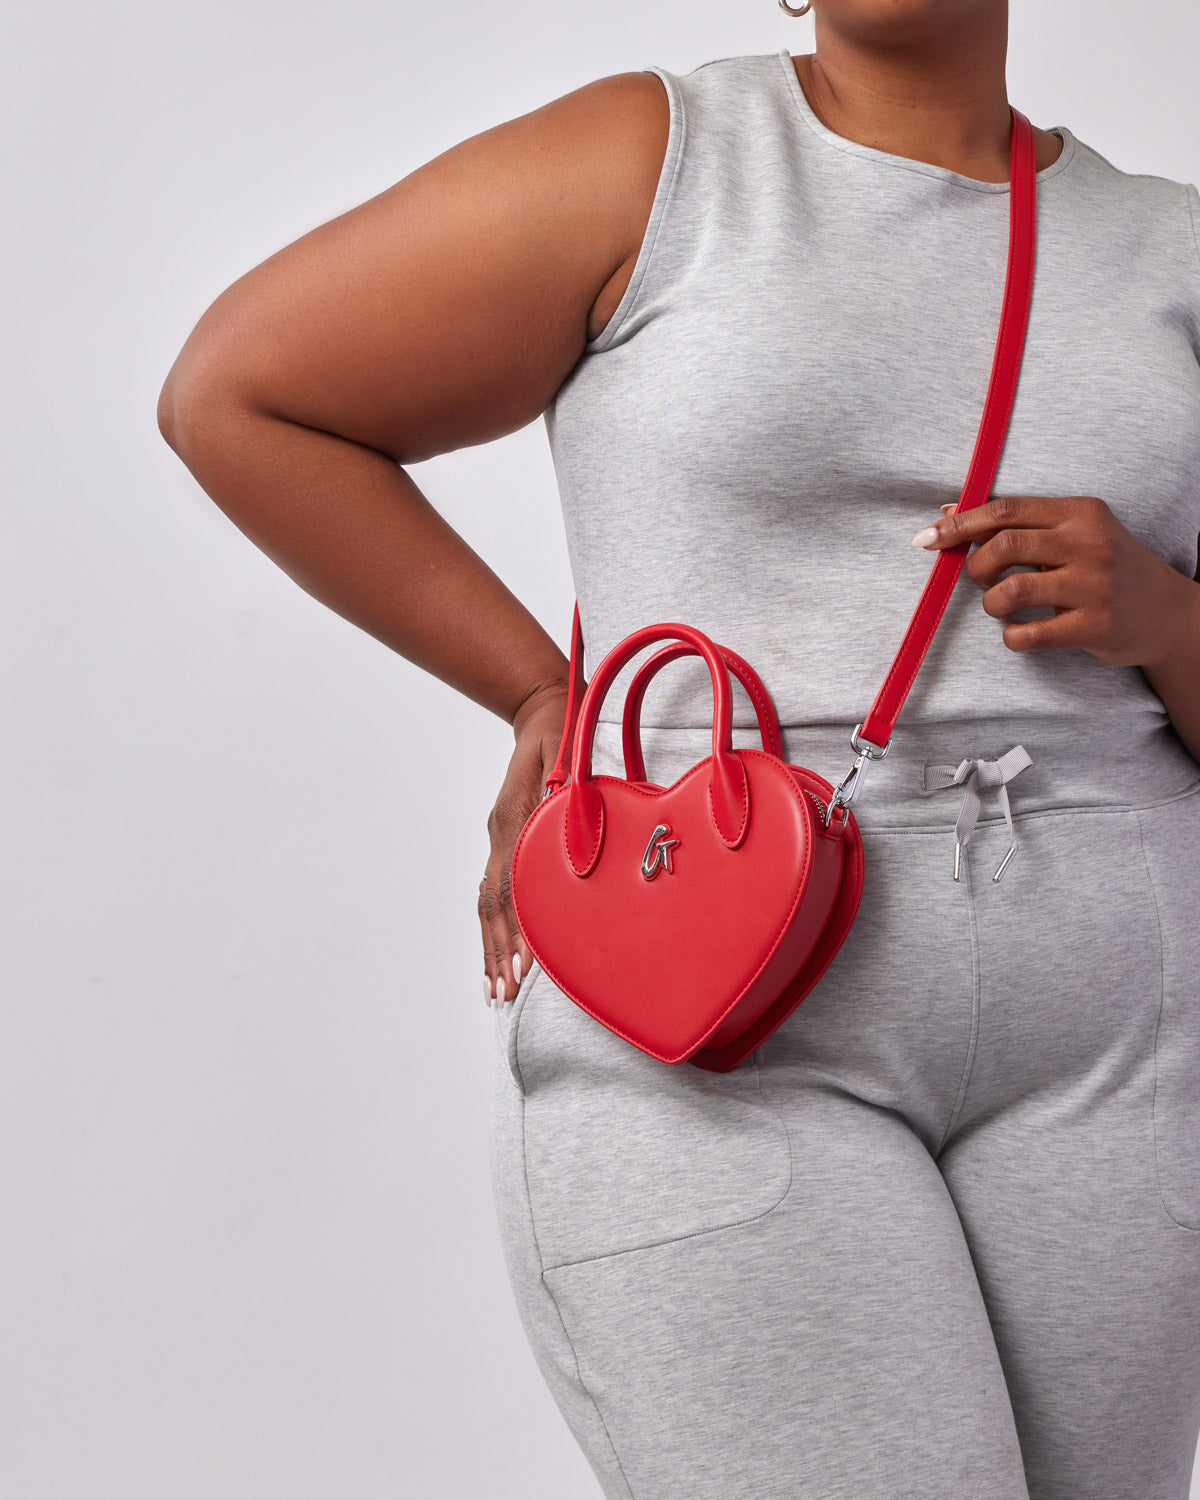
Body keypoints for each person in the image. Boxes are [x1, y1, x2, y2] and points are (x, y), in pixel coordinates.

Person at [157, 1, 1200, 1494]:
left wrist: (1165, 616)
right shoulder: (661, 164)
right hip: (717, 1024)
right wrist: (538, 694)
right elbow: (240, 394)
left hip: (1117, 1050)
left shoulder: (1171, 247)